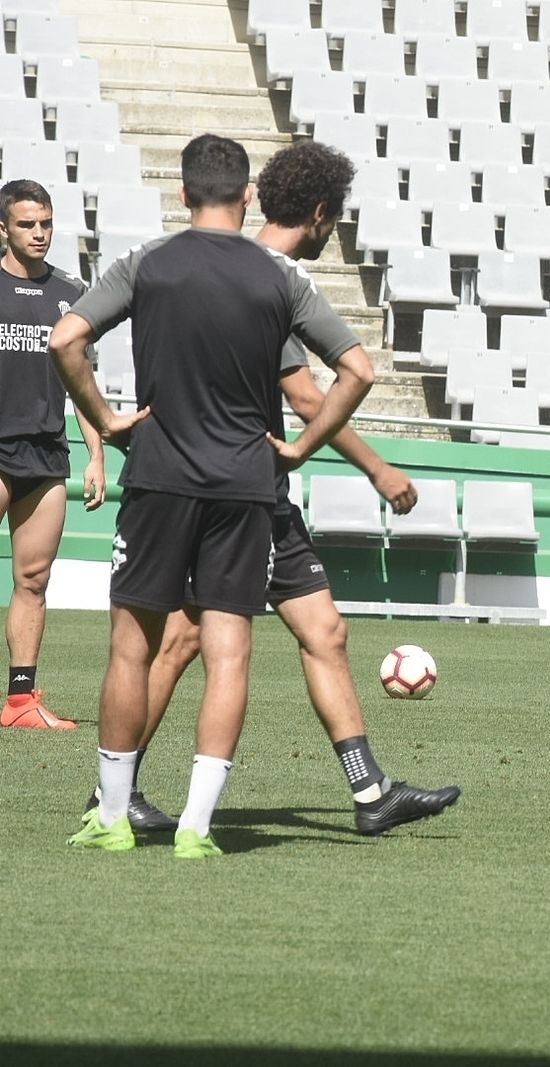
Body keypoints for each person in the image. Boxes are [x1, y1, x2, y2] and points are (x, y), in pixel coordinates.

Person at [86, 141, 459, 837]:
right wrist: (374, 466)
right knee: (180, 640)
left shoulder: (233, 266)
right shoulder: (266, 277)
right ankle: (116, 789)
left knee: (324, 629)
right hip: (237, 488)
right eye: (334, 220)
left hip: (248, 491)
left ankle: (369, 788)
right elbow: (309, 395)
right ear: (319, 212)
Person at [52, 133, 375, 859]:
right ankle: (197, 825)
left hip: (160, 475)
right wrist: (301, 446)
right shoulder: (280, 276)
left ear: (184, 193)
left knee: (132, 647)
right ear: (248, 194)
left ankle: (110, 816)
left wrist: (104, 419)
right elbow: (357, 369)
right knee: (229, 653)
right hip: (245, 486)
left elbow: (64, 341)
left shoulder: (148, 263)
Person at [0, 179, 105, 731]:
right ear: (3, 228)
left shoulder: (72, 292)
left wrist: (96, 455)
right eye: (26, 224)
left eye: (44, 223)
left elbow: (81, 382)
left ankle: (20, 703)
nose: (38, 234)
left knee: (34, 578)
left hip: (45, 453)